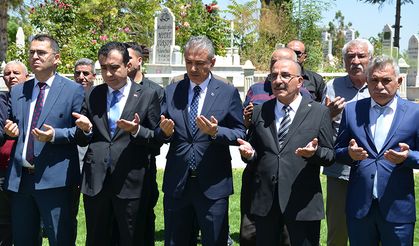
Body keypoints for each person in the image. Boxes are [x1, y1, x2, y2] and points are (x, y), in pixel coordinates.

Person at [156, 36, 246, 245]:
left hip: (213, 183)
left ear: (212, 63)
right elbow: (159, 130)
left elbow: (240, 132)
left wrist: (216, 132)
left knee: (214, 240)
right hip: (178, 182)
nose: (193, 68)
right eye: (189, 62)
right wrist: (164, 133)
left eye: (200, 63)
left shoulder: (227, 92)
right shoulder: (172, 91)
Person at [238, 58, 335, 245]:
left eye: (285, 75)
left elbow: (330, 155)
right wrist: (249, 154)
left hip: (301, 203)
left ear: (299, 81)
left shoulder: (318, 112)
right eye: (273, 76)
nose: (278, 80)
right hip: (266, 202)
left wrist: (313, 153)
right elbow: (256, 151)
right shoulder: (260, 111)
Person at [73, 41, 161, 246]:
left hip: (131, 181)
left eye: (114, 67)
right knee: (97, 238)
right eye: (103, 68)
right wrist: (85, 129)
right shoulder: (92, 94)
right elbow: (82, 137)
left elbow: (156, 140)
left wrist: (136, 130)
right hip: (96, 181)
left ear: (127, 65)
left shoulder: (147, 95)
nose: (108, 73)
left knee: (131, 238)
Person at [3, 34, 85, 246]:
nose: (35, 57)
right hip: (21, 181)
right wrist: (10, 130)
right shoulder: (19, 90)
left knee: (60, 240)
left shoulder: (73, 90)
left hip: (55, 181)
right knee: (23, 240)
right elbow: (13, 124)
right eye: (32, 53)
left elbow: (82, 132)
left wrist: (55, 135)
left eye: (41, 52)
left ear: (56, 58)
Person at [335, 55, 419, 245]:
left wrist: (408, 156)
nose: (379, 86)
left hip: (397, 207)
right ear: (367, 80)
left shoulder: (415, 113)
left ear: (399, 81)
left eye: (386, 80)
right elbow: (337, 151)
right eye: (374, 80)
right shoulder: (352, 110)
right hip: (360, 207)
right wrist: (349, 154)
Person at [240, 47, 309, 246]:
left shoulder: (305, 97)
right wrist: (246, 122)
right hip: (258, 177)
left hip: (291, 179)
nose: (278, 76)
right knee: (251, 234)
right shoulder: (256, 90)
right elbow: (249, 132)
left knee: (288, 237)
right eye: (273, 67)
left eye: (285, 71)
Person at [322, 38, 373, 246]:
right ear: (344, 61)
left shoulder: (379, 84)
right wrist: (328, 114)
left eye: (361, 56)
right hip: (339, 169)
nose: (356, 61)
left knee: (370, 228)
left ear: (370, 58)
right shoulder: (332, 86)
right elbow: (319, 126)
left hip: (371, 168)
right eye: (350, 56)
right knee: (337, 229)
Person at [125, 41, 164, 245]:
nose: (125, 62)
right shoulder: (115, 88)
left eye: (128, 58)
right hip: (117, 164)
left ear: (139, 61)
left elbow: (158, 133)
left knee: (144, 214)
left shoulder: (154, 91)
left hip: (144, 163)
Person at [0, 61, 29, 246]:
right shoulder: (0, 100)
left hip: (26, 172)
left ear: (26, 76)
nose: (12, 76)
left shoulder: (33, 99)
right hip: (2, 172)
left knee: (26, 223)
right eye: (7, 73)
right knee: (3, 223)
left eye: (16, 72)